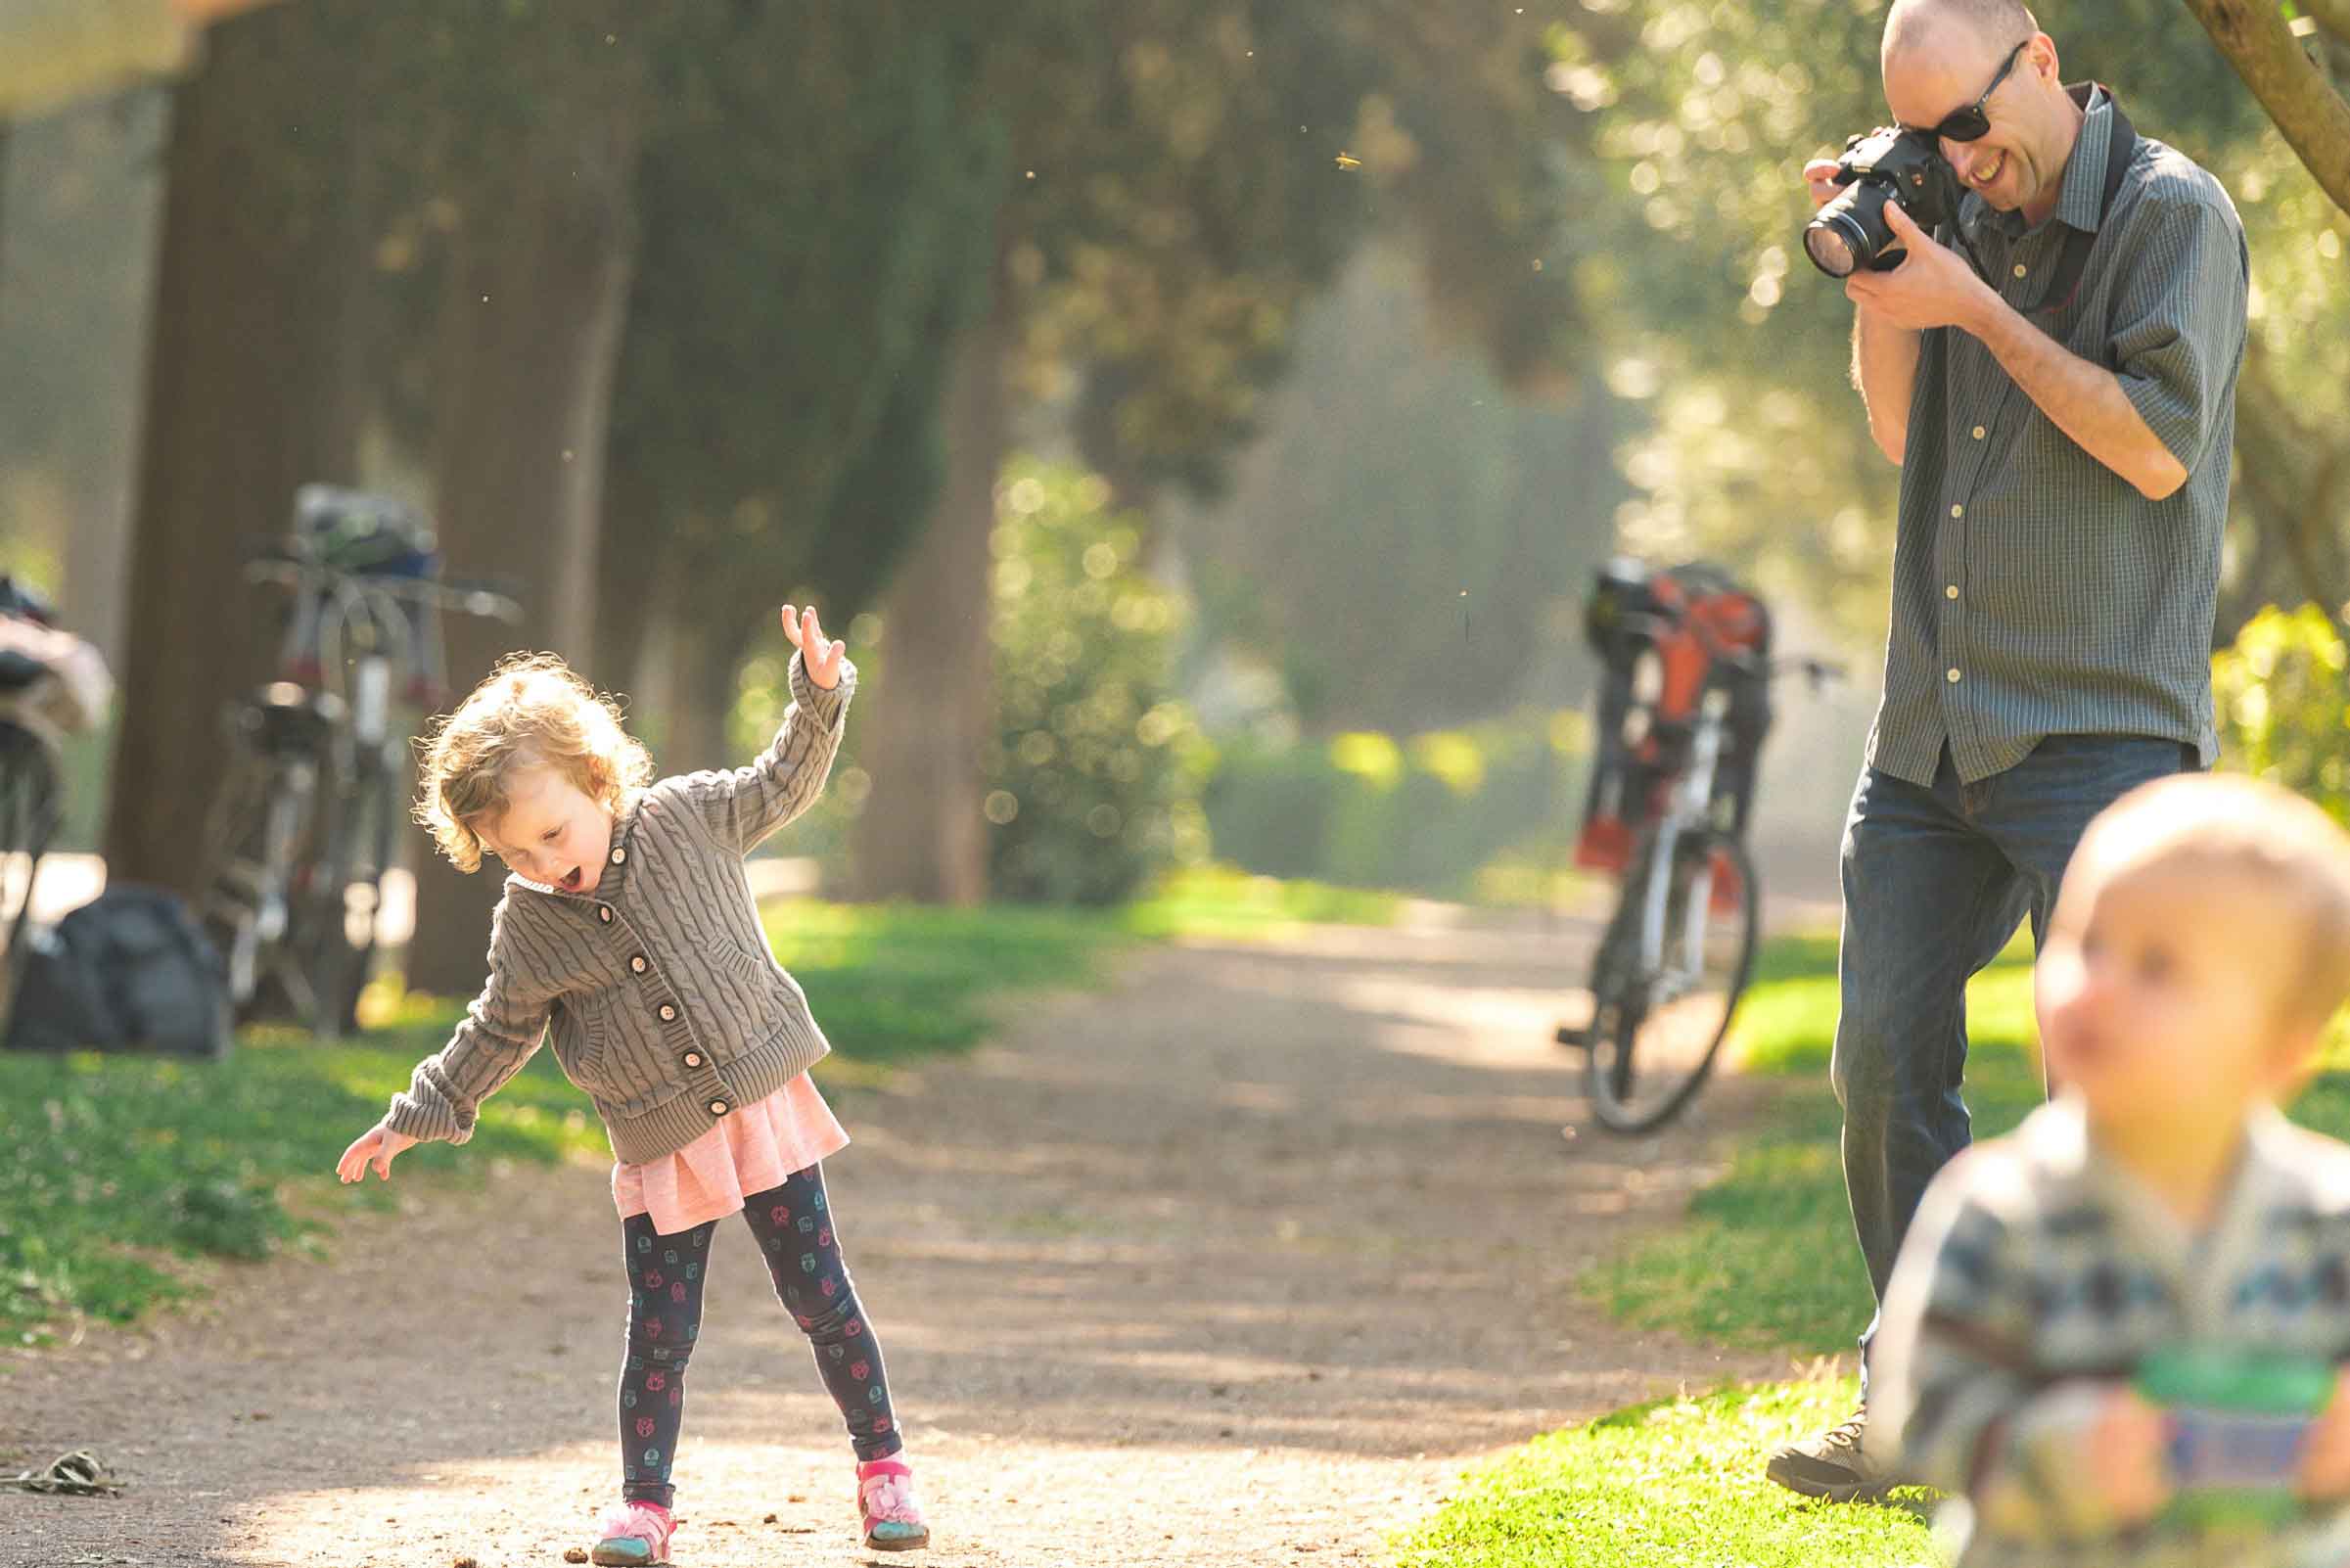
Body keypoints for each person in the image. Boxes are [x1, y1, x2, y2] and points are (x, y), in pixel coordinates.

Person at [1768, 0, 2250, 1499]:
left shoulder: (2173, 213)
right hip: (1933, 728)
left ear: (2035, 57)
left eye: (1970, 127)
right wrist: (1883, 284)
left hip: (2101, 720)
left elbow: (2155, 448)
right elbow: (1905, 436)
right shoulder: (1956, 212)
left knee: (2106, 1088)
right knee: (1880, 1063)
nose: (1961, 162)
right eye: (1930, 140)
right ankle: (1915, 1401)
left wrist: (1975, 305)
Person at [335, 605, 930, 1565]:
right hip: (658, 1143)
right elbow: (499, 1028)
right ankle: (643, 1507)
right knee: (659, 1331)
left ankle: (883, 1465)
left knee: (819, 1296)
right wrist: (420, 1114)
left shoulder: (693, 815)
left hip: (761, 1111)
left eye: (551, 834)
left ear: (594, 775)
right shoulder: (529, 925)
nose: (541, 865)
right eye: (514, 855)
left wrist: (818, 693)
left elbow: (786, 777)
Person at [1870, 772, 2350, 1565]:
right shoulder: (2003, 1209)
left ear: (2276, 1051)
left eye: (2156, 968)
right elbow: (1915, 1411)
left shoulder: (2326, 1215)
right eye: (2085, 943)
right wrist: (2057, 1454)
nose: (2095, 988)